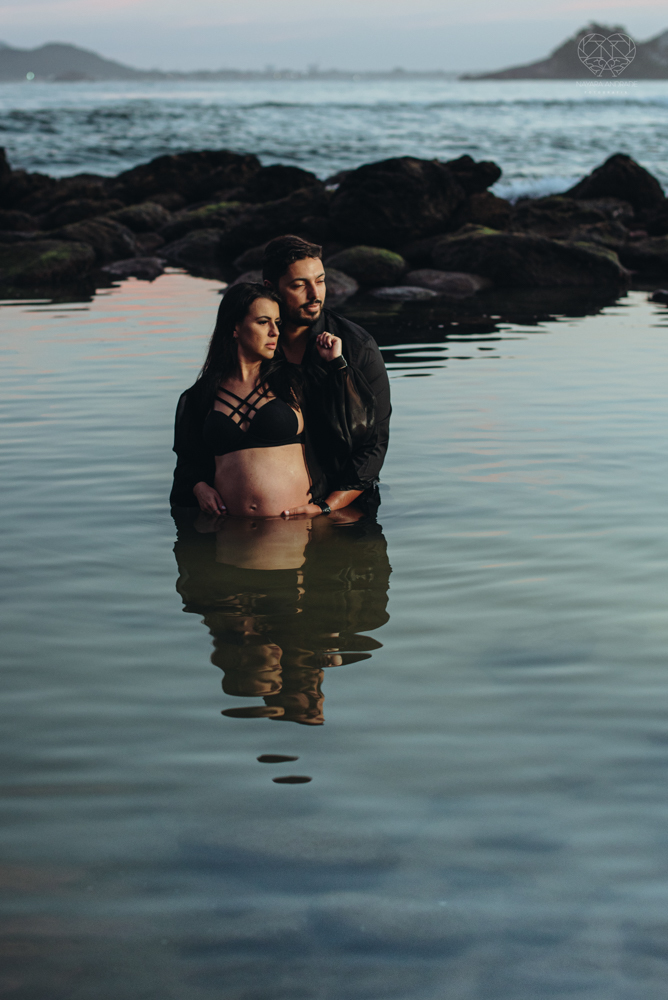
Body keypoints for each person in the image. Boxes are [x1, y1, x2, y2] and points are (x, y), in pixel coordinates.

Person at [169, 281, 346, 517]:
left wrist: (337, 364)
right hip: (229, 535)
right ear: (235, 327)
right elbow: (187, 462)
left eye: (277, 323)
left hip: (293, 532)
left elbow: (349, 426)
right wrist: (198, 486)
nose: (275, 331)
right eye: (263, 322)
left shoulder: (296, 382)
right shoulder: (200, 395)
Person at [262, 234, 391, 518]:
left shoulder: (358, 346)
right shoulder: (253, 347)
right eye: (299, 285)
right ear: (271, 289)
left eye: (319, 281)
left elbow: (374, 444)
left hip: (346, 508)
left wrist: (327, 507)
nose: (315, 294)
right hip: (274, 516)